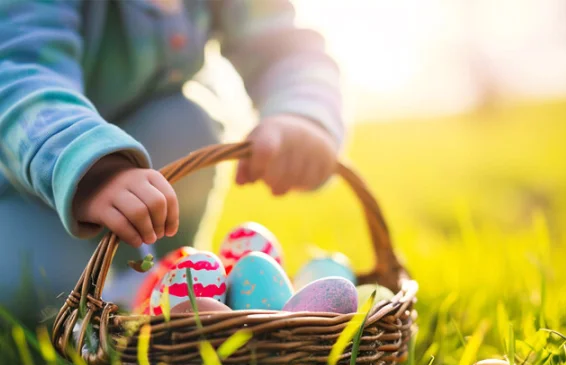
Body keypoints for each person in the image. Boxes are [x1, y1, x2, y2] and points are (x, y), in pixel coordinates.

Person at [0, 0, 344, 326]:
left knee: (186, 124)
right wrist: (94, 167)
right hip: (20, 185)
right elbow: (18, 69)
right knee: (34, 284)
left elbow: (279, 44)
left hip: (140, 172)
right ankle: (119, 295)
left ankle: (156, 287)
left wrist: (303, 112)